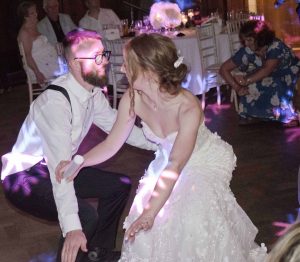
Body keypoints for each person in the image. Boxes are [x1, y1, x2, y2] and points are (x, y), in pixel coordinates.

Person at [56, 33, 267, 261]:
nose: (121, 69)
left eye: (127, 64)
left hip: (202, 160)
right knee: (154, 219)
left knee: (191, 216)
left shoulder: (187, 106)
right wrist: (80, 161)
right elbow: (111, 143)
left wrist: (150, 212)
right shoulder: (132, 97)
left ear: (147, 70)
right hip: (168, 160)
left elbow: (176, 164)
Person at [1, 29, 156, 262]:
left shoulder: (91, 92)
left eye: (104, 54)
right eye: (96, 57)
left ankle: (98, 254)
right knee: (84, 217)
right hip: (25, 177)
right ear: (74, 63)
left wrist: (160, 144)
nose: (104, 62)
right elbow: (59, 174)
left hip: (57, 167)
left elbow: (118, 127)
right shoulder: (55, 104)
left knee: (119, 186)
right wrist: (72, 227)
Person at [219, 20, 300, 127]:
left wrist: (246, 80)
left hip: (286, 72)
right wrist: (237, 88)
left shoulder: (275, 46)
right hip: (264, 73)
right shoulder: (247, 50)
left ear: (260, 38)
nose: (246, 43)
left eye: (249, 40)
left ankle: (288, 117)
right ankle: (256, 115)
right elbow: (223, 69)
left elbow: (267, 69)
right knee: (252, 86)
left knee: (274, 83)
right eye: (244, 40)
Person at [17, 1, 67, 85]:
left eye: (35, 11)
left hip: (49, 61)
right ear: (26, 17)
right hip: (39, 66)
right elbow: (27, 56)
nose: (36, 14)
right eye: (32, 13)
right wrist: (37, 72)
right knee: (67, 73)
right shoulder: (24, 33)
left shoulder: (34, 26)